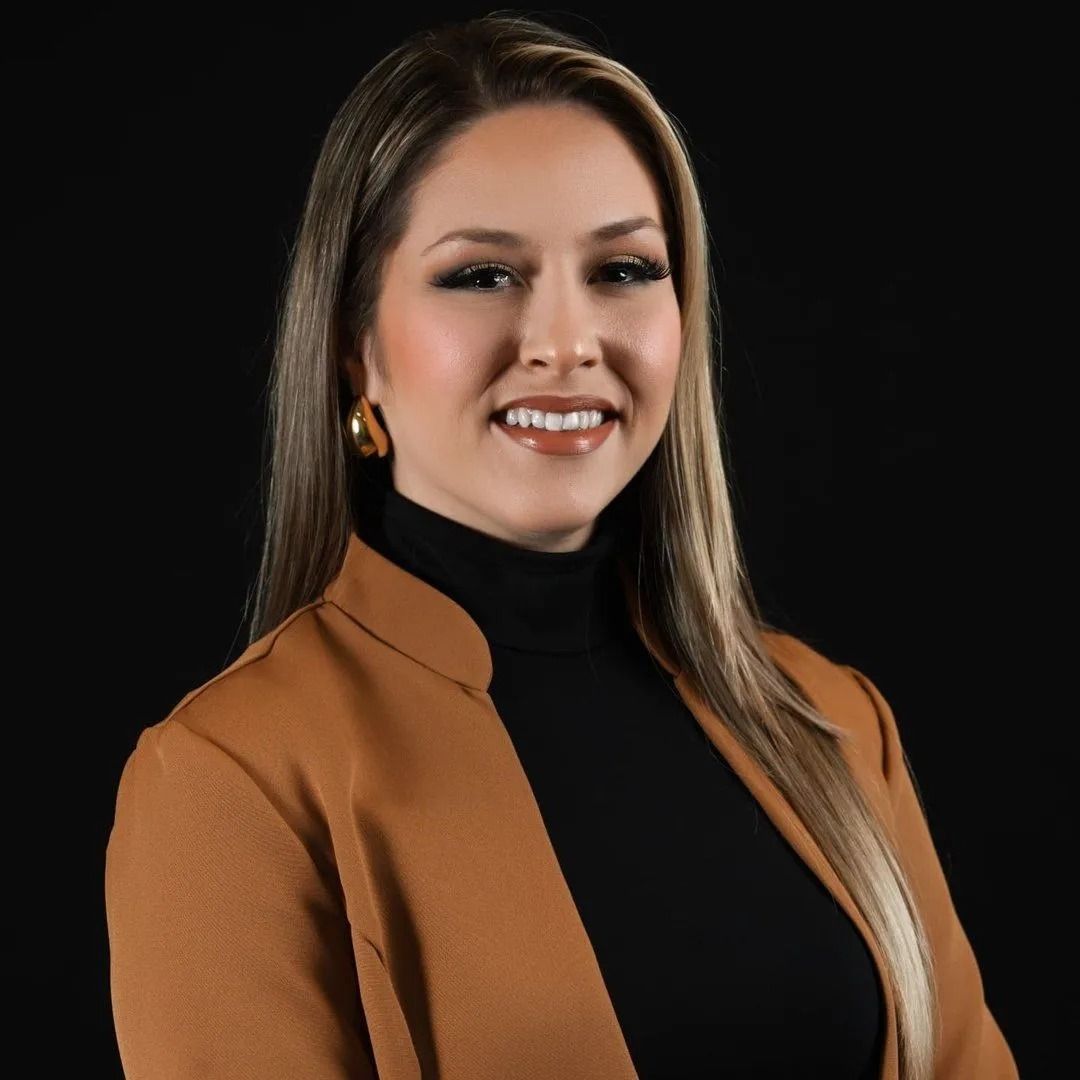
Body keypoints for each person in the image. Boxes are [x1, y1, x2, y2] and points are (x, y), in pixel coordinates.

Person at [104, 14, 1018, 1080]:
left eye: (624, 269)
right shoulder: (234, 781)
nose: (566, 341)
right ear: (356, 351)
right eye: (484, 276)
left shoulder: (831, 724)